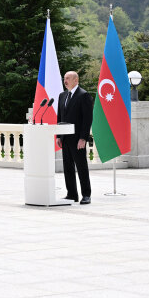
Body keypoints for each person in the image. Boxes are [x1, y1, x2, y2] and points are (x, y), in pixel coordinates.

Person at [58, 71, 94, 205]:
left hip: (77, 138)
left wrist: (83, 138)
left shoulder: (83, 95)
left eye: (68, 78)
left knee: (81, 167)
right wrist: (59, 136)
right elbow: (60, 117)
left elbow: (87, 119)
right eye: (64, 78)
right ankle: (71, 194)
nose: (65, 80)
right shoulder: (62, 96)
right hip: (65, 138)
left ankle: (86, 194)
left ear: (76, 80)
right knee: (68, 167)